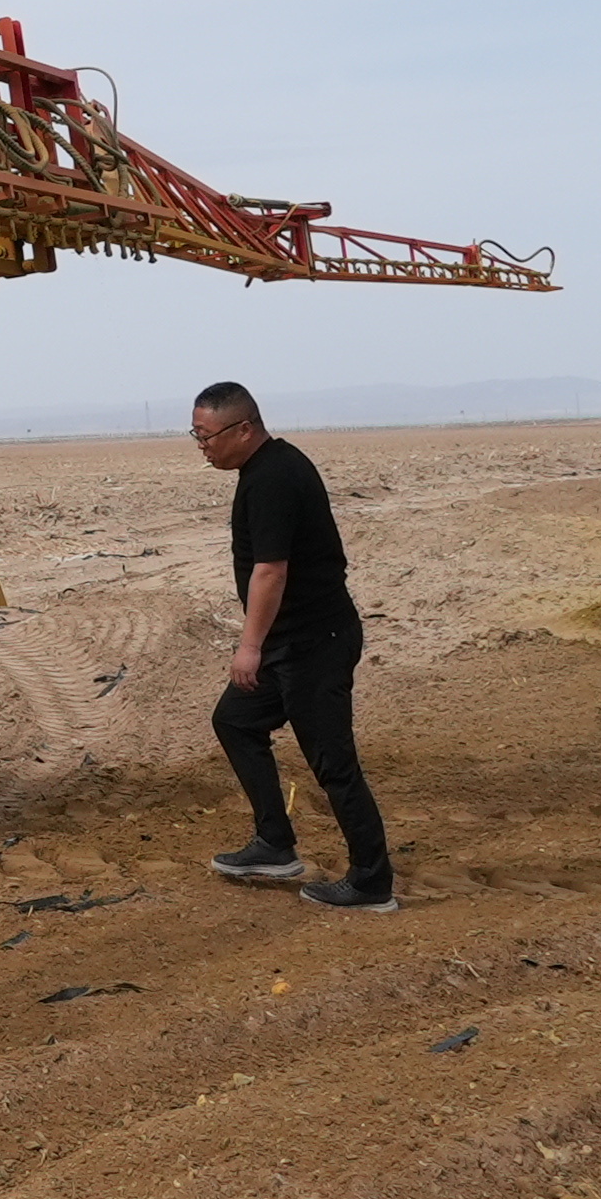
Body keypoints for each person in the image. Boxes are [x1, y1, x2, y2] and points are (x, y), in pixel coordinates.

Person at [191, 382, 392, 912]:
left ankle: (372, 882)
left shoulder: (274, 477)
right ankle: (275, 844)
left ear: (244, 429)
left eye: (206, 436)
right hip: (289, 643)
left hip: (313, 644)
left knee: (333, 763)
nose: (202, 447)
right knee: (236, 720)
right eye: (196, 435)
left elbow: (270, 571)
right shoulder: (261, 470)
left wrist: (249, 646)